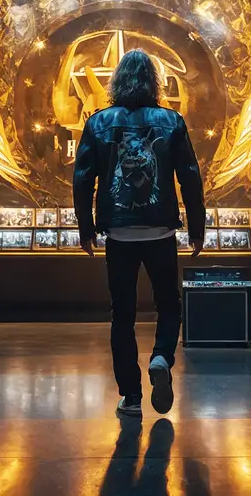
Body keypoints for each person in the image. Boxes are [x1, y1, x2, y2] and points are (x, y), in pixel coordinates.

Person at [73, 49, 205, 419]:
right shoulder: (171, 120)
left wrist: (85, 229)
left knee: (122, 316)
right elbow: (190, 178)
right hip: (161, 231)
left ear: (116, 81)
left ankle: (131, 397)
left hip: (119, 235)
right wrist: (197, 228)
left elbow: (83, 180)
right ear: (154, 82)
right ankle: (162, 356)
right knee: (169, 305)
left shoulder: (98, 122)